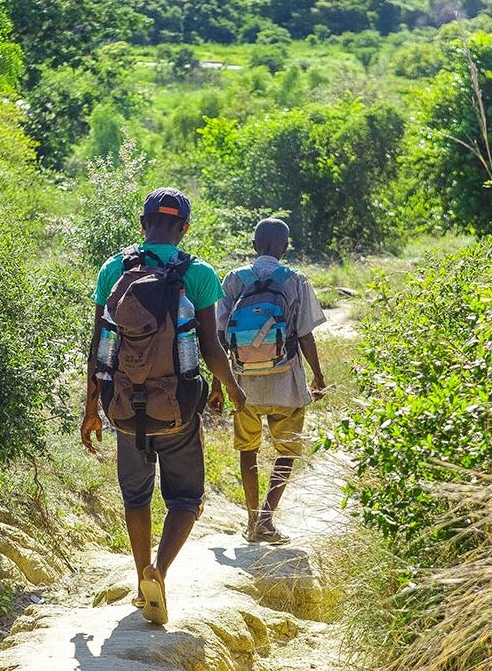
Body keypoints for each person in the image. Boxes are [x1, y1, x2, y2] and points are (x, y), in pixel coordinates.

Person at [80, 187, 245, 624]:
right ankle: (160, 571)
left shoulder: (114, 268)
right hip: (178, 409)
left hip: (122, 406)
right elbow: (210, 346)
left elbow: (99, 344)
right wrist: (231, 389)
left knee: (136, 495)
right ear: (184, 228)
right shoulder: (200, 274)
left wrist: (90, 408)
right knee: (186, 497)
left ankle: (140, 579)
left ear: (143, 223)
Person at [209, 218, 326, 544]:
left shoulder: (234, 279)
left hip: (242, 384)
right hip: (285, 381)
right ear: (284, 247)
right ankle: (266, 519)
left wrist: (219, 384)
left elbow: (218, 336)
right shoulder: (295, 280)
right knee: (288, 451)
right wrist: (317, 375)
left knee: (248, 449)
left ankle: (250, 522)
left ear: (253, 244)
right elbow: (305, 335)